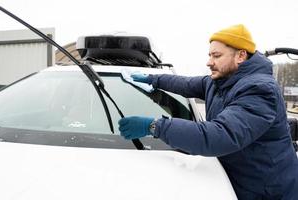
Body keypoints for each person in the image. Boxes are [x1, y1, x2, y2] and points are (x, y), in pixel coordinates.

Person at [118, 24, 298, 199]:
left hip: (268, 190)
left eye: (217, 56)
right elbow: (185, 84)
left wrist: (154, 126)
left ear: (240, 56)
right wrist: (152, 79)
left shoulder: (259, 90)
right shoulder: (219, 80)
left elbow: (219, 135)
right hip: (237, 180)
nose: (209, 62)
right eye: (210, 55)